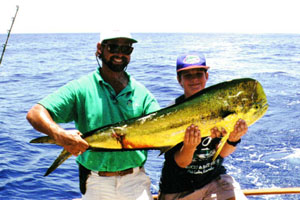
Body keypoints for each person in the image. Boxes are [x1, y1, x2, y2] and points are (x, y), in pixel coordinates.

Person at [26, 30, 160, 200]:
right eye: (113, 47)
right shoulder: (81, 88)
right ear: (100, 48)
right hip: (96, 182)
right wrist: (59, 134)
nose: (120, 54)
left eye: (126, 49)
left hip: (136, 182)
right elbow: (35, 113)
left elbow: (162, 129)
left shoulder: (143, 94)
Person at [158, 54, 248, 200]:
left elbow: (222, 153)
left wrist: (233, 139)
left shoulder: (222, 107)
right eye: (187, 75)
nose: (194, 79)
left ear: (206, 76)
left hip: (214, 180)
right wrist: (190, 146)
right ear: (179, 80)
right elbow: (181, 162)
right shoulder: (170, 114)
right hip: (180, 188)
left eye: (199, 74)